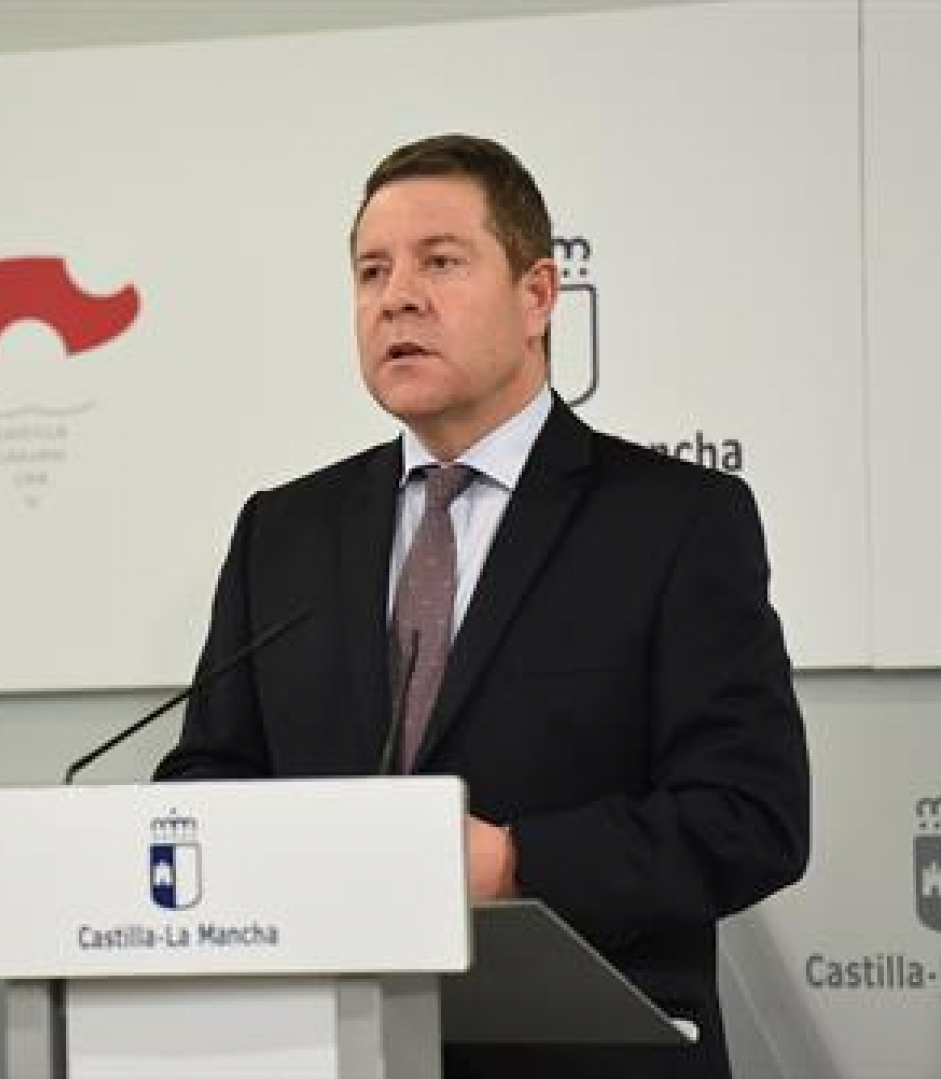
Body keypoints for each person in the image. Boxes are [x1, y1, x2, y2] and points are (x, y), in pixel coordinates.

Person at [154, 133, 810, 1079]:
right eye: (372, 271)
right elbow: (207, 781)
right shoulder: (282, 531)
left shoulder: (676, 521)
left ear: (538, 295)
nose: (397, 296)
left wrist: (514, 862)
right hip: (326, 1050)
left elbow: (751, 816)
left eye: (440, 262)